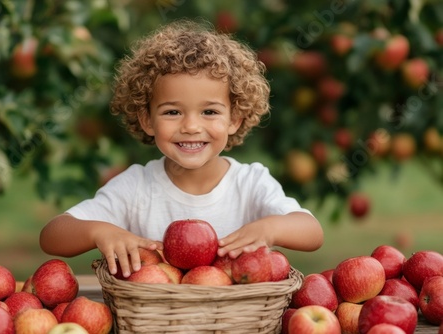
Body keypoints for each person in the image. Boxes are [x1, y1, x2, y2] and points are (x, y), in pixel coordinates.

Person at [39, 19, 323, 278]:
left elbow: (312, 233)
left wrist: (270, 229)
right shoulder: (136, 186)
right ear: (147, 120)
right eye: (173, 112)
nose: (190, 126)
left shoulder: (250, 184)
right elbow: (52, 235)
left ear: (234, 119)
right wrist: (99, 231)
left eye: (209, 112)